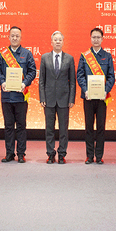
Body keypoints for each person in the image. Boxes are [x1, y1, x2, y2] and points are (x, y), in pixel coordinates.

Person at [0, 26, 36, 163]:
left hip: (21, 97)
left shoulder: (27, 54)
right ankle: (9, 153)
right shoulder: (2, 54)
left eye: (17, 36)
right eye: (12, 35)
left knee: (21, 126)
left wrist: (25, 83)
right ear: (8, 37)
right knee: (8, 126)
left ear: (21, 37)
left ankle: (21, 153)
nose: (15, 38)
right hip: (7, 96)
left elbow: (32, 71)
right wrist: (2, 82)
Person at [76, 28, 115, 164]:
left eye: (98, 37)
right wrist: (85, 90)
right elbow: (80, 75)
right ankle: (89, 155)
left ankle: (99, 156)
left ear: (102, 39)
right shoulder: (84, 56)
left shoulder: (107, 56)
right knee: (89, 127)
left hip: (102, 98)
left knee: (100, 127)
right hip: (88, 97)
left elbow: (111, 76)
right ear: (90, 39)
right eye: (94, 37)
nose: (96, 40)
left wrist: (106, 90)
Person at [39, 31, 76, 164]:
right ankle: (50, 153)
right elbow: (41, 80)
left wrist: (71, 99)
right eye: (55, 40)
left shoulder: (69, 58)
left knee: (63, 129)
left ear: (63, 42)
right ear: (51, 42)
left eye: (60, 39)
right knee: (49, 128)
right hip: (48, 99)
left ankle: (62, 154)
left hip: (64, 99)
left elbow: (72, 81)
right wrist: (42, 97)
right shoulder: (45, 58)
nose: (58, 42)